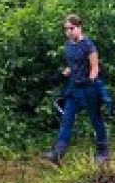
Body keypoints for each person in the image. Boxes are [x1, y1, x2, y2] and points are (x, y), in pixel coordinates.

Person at [41, 14, 109, 165]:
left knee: (96, 120)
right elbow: (72, 66)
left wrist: (92, 78)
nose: (69, 32)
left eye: (71, 28)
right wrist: (62, 74)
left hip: (89, 89)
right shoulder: (68, 45)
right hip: (73, 89)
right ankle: (57, 154)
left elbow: (95, 67)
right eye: (66, 29)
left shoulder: (88, 45)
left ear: (79, 27)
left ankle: (103, 153)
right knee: (66, 119)